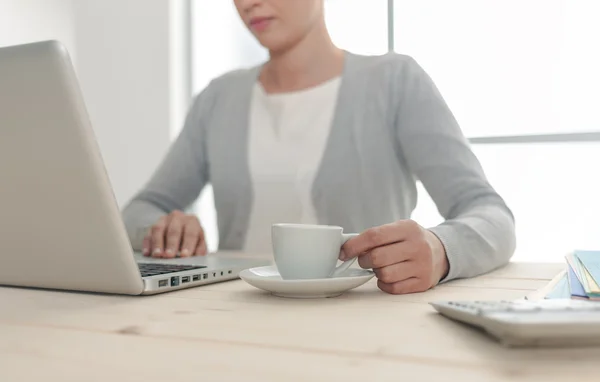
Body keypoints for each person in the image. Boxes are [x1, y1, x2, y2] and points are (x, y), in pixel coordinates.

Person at [121, 0, 516, 295]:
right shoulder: (218, 98)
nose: (248, 2)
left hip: (362, 327)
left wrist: (441, 247)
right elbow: (139, 209)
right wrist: (163, 230)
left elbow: (490, 214)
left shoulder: (395, 82)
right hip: (236, 316)